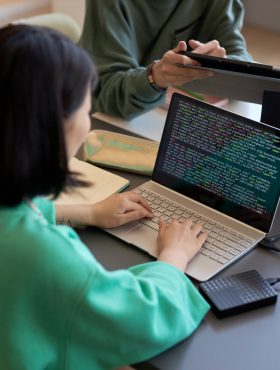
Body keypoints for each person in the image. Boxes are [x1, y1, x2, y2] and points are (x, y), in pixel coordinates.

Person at [0, 24, 209, 370]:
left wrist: (87, 212)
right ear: (53, 127)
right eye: (85, 111)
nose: (87, 124)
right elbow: (141, 319)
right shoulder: (49, 258)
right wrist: (174, 257)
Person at [80, 0, 252, 119]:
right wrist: (155, 77)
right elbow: (106, 93)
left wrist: (222, 63)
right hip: (104, 123)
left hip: (169, 119)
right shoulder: (110, 5)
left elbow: (241, 57)